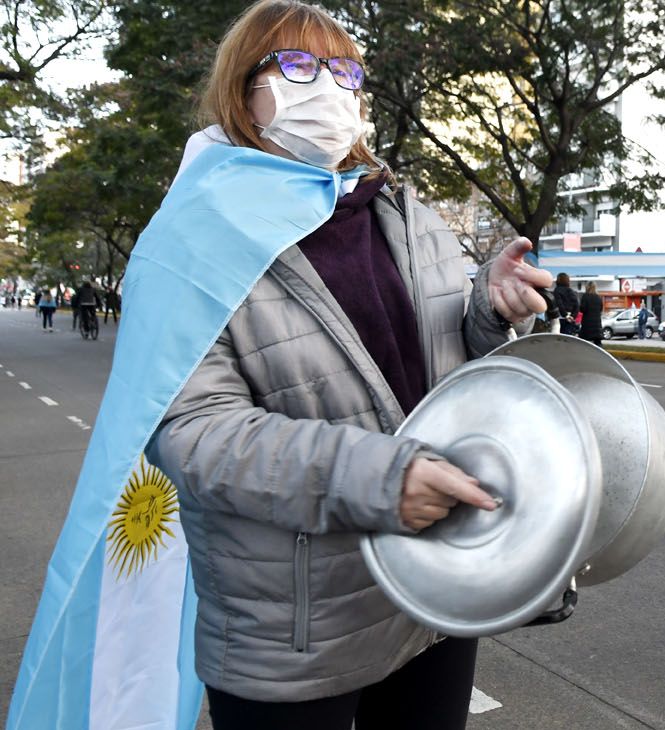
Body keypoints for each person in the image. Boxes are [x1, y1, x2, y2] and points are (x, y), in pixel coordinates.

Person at [142, 2, 551, 726]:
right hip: (295, 627)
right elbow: (190, 432)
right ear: (246, 91)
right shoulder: (193, 236)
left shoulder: (401, 211)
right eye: (298, 65)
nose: (327, 86)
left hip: (430, 595)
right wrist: (382, 479)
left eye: (344, 70)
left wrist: (489, 311)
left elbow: (438, 364)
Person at [578, 280, 604, 346]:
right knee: (598, 342)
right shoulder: (598, 297)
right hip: (597, 324)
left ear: (587, 287)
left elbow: (582, 309)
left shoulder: (585, 296)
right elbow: (601, 309)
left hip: (587, 324)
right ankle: (601, 355)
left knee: (584, 342)